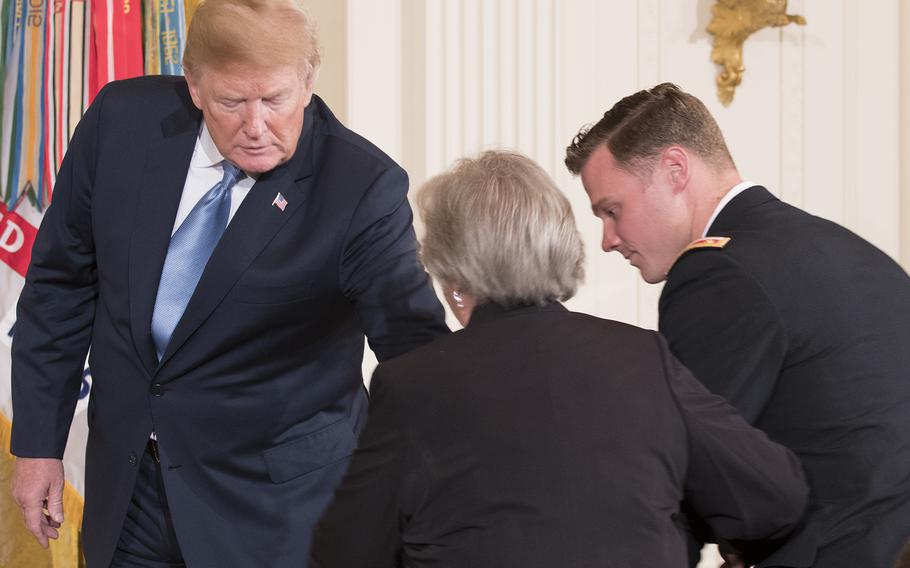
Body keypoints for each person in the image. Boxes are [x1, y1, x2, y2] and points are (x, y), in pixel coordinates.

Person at [9, 0, 448, 566]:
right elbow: (59, 286)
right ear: (193, 86)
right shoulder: (122, 123)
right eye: (232, 102)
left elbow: (415, 355)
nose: (257, 125)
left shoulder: (360, 189)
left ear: (308, 82)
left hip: (277, 516)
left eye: (275, 99)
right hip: (131, 498)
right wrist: (39, 445)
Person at [309, 150, 809, 568]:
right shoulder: (643, 358)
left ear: (450, 273)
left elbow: (347, 554)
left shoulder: (410, 385)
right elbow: (773, 497)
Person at [566, 82, 910, 568]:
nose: (608, 239)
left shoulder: (719, 273)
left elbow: (685, 472)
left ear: (675, 170)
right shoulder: (852, 252)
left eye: (612, 211)